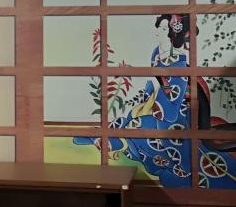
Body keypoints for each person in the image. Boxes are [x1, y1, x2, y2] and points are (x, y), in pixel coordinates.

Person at [75, 14, 192, 187]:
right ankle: (107, 139)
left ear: (173, 35)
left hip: (172, 109)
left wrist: (149, 107)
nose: (158, 31)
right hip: (154, 100)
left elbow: (173, 95)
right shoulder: (157, 53)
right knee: (129, 117)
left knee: (139, 125)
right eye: (159, 27)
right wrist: (144, 103)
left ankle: (173, 165)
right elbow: (154, 83)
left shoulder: (179, 63)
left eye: (164, 29)